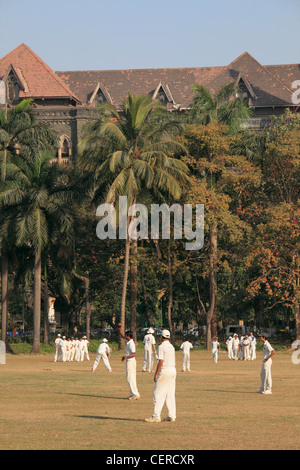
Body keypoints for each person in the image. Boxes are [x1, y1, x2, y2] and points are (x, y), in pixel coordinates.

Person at [145, 329, 176, 423]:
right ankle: (172, 415)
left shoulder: (162, 346)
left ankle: (156, 416)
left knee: (157, 393)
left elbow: (161, 361)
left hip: (165, 370)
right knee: (170, 394)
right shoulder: (171, 346)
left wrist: (156, 373)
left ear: (161, 337)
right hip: (173, 370)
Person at [118, 324, 141, 400]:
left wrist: (125, 357)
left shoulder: (131, 344)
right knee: (130, 378)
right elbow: (122, 335)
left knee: (130, 378)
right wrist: (119, 328)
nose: (125, 336)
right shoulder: (128, 341)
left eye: (126, 335)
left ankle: (136, 394)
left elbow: (134, 354)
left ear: (128, 336)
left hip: (131, 361)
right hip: (129, 361)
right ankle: (133, 394)